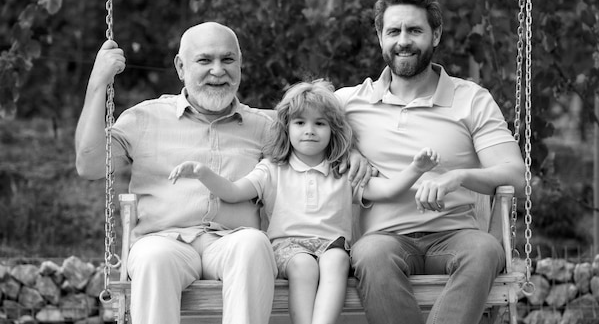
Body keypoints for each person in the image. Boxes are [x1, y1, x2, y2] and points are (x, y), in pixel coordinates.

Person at [168, 79, 441, 324]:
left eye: (319, 123)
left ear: (334, 130)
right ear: (286, 128)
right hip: (288, 248)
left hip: (333, 244)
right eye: (300, 123)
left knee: (336, 261)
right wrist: (202, 173)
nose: (309, 131)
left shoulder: (342, 171)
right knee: (304, 266)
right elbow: (233, 191)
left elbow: (387, 191)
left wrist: (416, 169)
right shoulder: (272, 169)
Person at [334, 0, 526, 324]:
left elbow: (517, 176)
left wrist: (459, 176)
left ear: (435, 35)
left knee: (484, 250)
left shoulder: (472, 99)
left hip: (455, 238)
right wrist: (347, 149)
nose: (403, 40)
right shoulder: (349, 103)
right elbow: (293, 127)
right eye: (393, 30)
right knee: (371, 254)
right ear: (380, 37)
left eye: (415, 30)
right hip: (385, 240)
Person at [74, 22, 278, 324]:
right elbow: (89, 165)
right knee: (153, 257)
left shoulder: (265, 127)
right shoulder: (145, 118)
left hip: (231, 243)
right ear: (181, 67)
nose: (218, 70)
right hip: (164, 242)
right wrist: (97, 84)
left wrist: (356, 162)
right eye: (205, 60)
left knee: (253, 244)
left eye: (228, 59)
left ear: (240, 64)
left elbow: (316, 157)